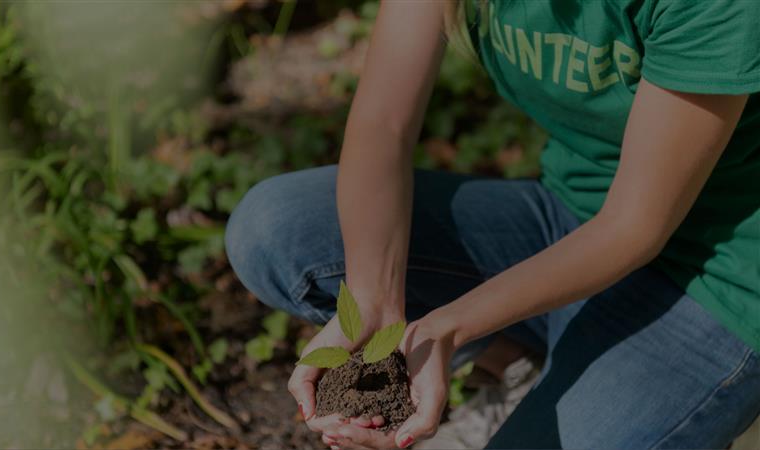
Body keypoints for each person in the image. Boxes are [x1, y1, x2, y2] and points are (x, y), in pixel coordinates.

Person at [225, 0, 760, 448]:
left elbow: (635, 226)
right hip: (570, 217)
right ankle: (516, 364)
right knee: (278, 228)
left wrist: (448, 326)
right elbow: (382, 126)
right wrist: (373, 297)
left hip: (720, 284)